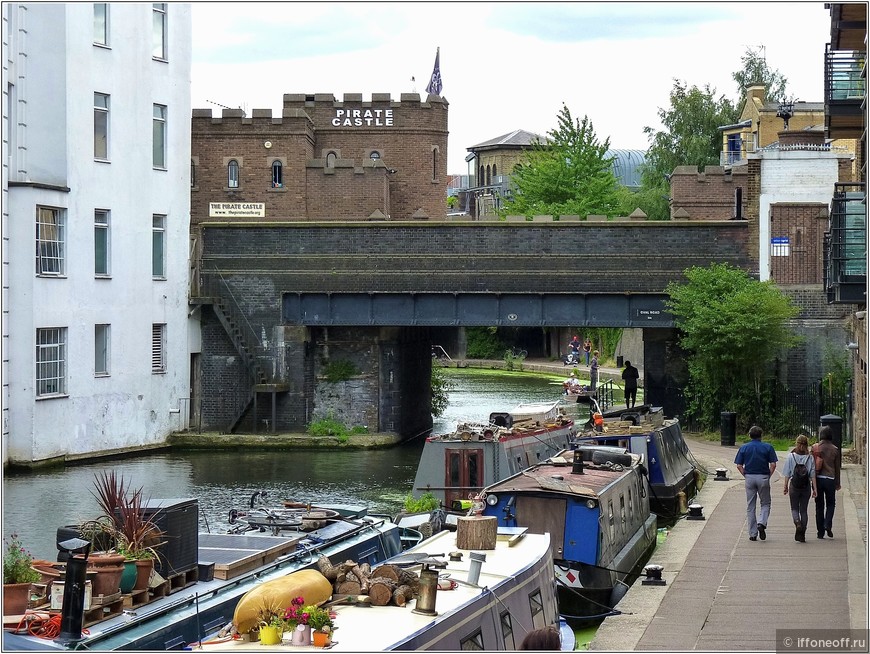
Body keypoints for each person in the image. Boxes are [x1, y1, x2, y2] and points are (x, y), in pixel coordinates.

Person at [734, 425, 778, 541]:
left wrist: (746, 475)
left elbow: (739, 465)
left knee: (750, 506)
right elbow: (773, 464)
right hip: (763, 477)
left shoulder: (744, 448)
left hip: (749, 477)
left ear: (750, 435)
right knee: (765, 503)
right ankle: (762, 522)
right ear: (761, 436)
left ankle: (752, 534)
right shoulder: (768, 447)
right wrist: (768, 475)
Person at [781, 434, 817, 542]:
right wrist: (815, 489)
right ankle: (803, 533)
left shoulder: (790, 456)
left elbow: (787, 473)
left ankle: (797, 523)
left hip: (794, 486)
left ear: (796, 443)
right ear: (807, 444)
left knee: (794, 508)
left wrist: (785, 486)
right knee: (804, 510)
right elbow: (813, 475)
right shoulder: (810, 457)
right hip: (805, 487)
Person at [812, 425, 841, 539]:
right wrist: (837, 482)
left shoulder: (815, 448)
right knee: (830, 503)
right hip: (830, 479)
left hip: (818, 479)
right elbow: (837, 467)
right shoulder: (835, 449)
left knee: (819, 505)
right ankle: (827, 524)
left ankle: (820, 532)